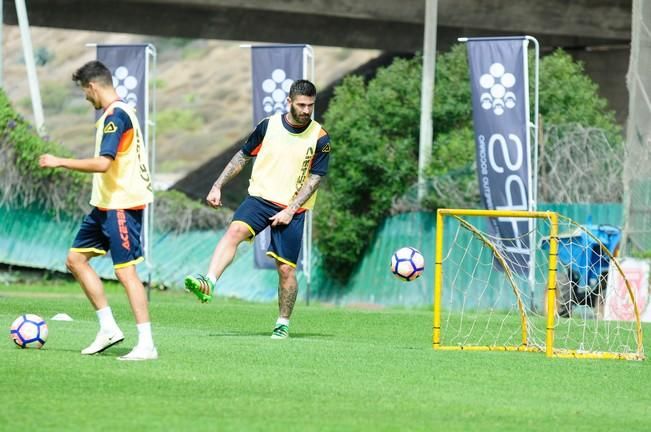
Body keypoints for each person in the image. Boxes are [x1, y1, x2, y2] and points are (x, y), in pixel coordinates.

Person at [185, 79, 331, 339]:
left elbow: (315, 178)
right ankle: (209, 282)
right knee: (234, 232)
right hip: (260, 197)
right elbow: (242, 155)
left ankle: (282, 323)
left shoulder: (320, 137)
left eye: (311, 105)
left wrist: (290, 209)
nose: (307, 110)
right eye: (301, 105)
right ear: (289, 102)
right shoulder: (268, 126)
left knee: (285, 269)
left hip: (292, 209)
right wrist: (217, 185)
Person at [39, 60, 157, 360]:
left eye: (84, 91)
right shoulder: (118, 113)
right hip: (104, 205)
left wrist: (59, 161)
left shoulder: (115, 116)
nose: (85, 98)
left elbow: (104, 163)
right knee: (76, 260)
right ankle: (108, 328)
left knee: (126, 273)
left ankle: (146, 344)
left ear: (93, 87)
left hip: (121, 205)